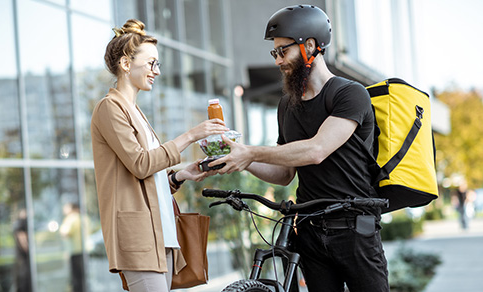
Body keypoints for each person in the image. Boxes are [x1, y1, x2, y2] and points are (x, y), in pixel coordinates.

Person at [210, 5, 389, 292]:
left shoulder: (349, 94)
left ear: (310, 45)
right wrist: (240, 155)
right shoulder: (287, 104)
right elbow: (284, 173)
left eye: (284, 51)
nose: (278, 60)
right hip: (309, 229)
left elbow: (316, 150)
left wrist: (252, 152)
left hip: (354, 228)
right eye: (275, 52)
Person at [91, 19, 228, 292]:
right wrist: (191, 135)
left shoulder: (135, 112)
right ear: (126, 64)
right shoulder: (110, 108)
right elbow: (141, 164)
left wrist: (179, 175)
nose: (156, 71)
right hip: (139, 241)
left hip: (160, 237)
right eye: (151, 63)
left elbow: (146, 181)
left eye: (158, 64)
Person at [60, 203, 86, 292]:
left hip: (75, 251)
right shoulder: (84, 218)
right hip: (85, 250)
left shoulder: (71, 218)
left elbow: (64, 233)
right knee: (83, 277)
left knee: (76, 279)